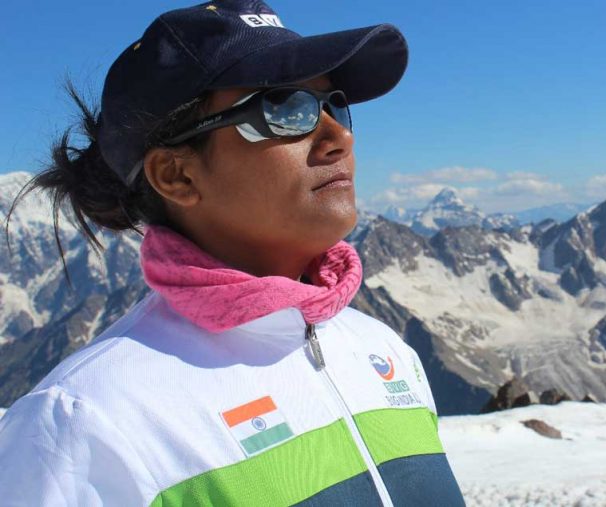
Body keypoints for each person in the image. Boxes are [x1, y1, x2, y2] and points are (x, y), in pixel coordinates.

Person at [0, 1, 466, 505]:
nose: (340, 137)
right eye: (284, 109)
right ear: (177, 175)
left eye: (332, 105)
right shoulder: (83, 425)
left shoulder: (386, 351)